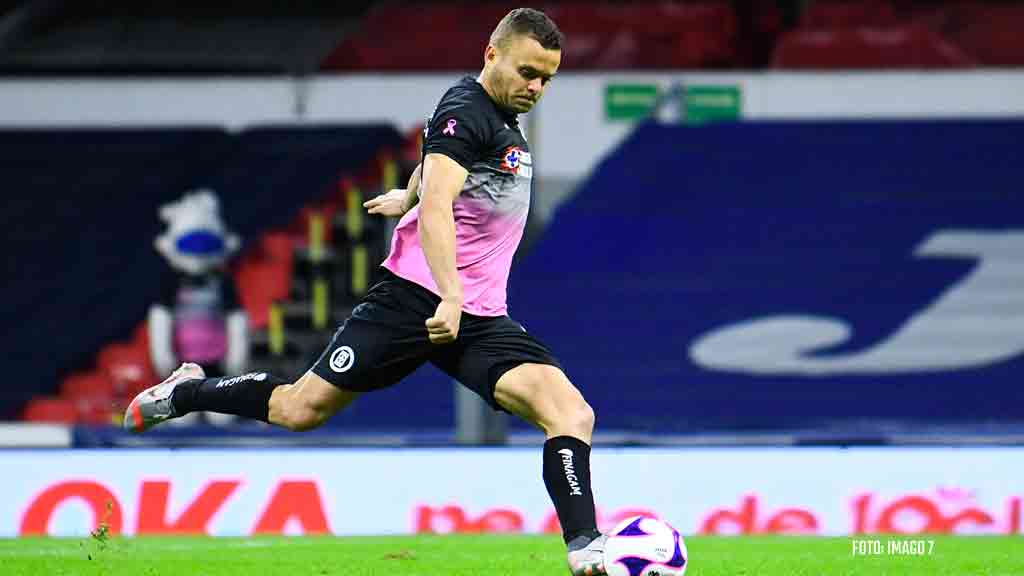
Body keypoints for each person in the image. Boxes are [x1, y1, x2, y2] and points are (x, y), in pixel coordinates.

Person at [124, 8, 606, 575]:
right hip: (415, 301)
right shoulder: (465, 110)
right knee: (300, 409)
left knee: (571, 412)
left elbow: (440, 176)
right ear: (491, 54)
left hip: (477, 315)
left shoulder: (497, 117)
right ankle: (190, 391)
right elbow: (438, 209)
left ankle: (587, 552)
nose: (537, 87)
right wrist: (445, 286)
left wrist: (408, 193)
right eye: (528, 72)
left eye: (547, 78)